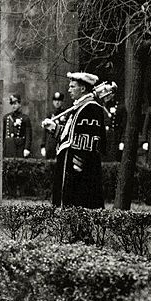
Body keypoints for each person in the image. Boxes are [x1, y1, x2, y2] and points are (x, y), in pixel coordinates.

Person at [44, 72, 105, 209]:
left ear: (82, 89)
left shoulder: (91, 109)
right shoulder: (78, 108)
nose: (69, 90)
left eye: (72, 86)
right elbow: (69, 136)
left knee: (79, 204)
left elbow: (89, 141)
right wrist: (54, 128)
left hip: (79, 168)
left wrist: (78, 162)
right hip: (69, 164)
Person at [102, 92, 127, 162]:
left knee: (113, 159)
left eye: (108, 94)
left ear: (113, 94)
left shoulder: (120, 107)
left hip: (115, 137)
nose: (105, 96)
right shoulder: (101, 107)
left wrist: (122, 141)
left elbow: (123, 126)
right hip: (103, 137)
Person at [41, 92, 66, 159]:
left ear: (62, 102)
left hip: (60, 143)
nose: (57, 103)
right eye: (55, 100)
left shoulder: (66, 114)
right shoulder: (50, 114)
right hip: (50, 143)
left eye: (59, 100)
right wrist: (43, 146)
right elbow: (45, 131)